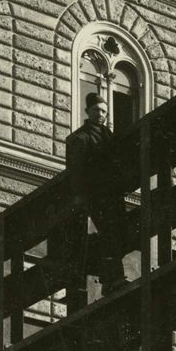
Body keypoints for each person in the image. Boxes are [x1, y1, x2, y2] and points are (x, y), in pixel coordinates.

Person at [65, 91, 126, 286]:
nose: (101, 115)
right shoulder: (79, 138)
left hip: (112, 194)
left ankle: (113, 278)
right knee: (108, 233)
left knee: (116, 233)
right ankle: (112, 279)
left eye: (104, 112)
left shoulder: (110, 136)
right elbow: (75, 172)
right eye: (97, 110)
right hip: (97, 195)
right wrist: (79, 196)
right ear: (87, 111)